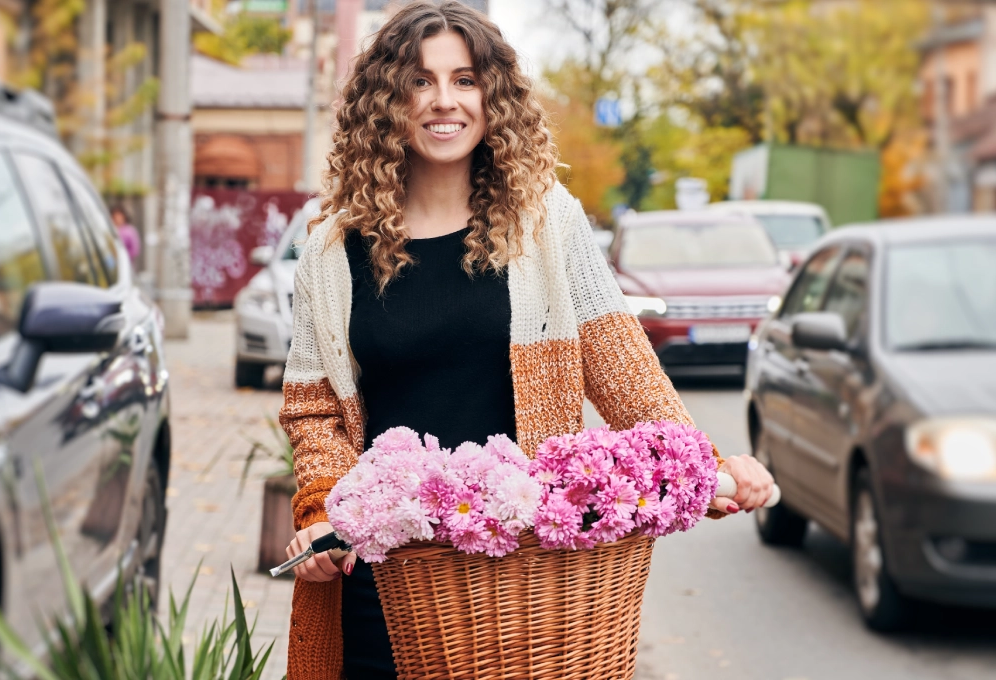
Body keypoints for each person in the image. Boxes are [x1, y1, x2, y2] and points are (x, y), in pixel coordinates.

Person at [279, 3, 774, 679]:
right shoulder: (330, 252)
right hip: (382, 587)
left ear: (494, 97)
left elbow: (623, 368)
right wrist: (319, 512)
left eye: (465, 80)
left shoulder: (548, 226)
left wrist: (702, 465)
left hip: (522, 589)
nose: (443, 101)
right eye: (419, 82)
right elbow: (316, 415)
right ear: (385, 101)